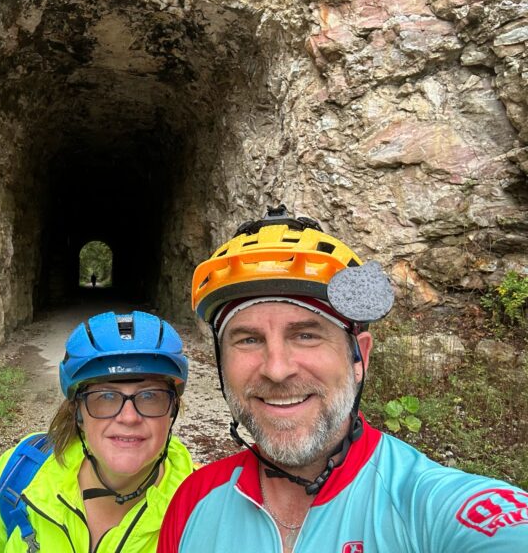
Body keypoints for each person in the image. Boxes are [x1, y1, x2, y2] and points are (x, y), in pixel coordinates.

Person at [158, 206, 528, 553]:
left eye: (306, 335)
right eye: (249, 339)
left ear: (359, 358)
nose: (276, 368)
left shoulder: (427, 506)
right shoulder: (193, 500)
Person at [0, 310, 193, 553]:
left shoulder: (205, 509)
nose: (128, 417)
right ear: (78, 413)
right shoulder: (23, 476)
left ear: (172, 411)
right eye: (105, 397)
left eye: (150, 396)